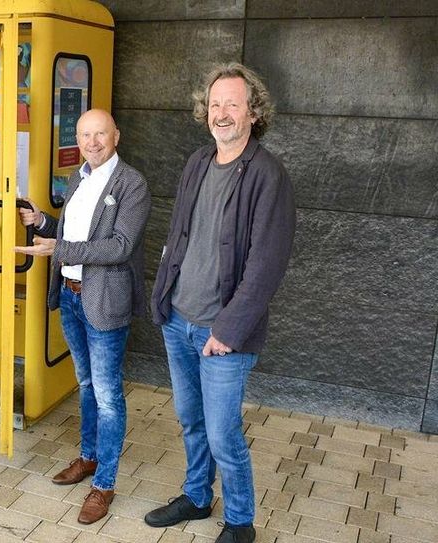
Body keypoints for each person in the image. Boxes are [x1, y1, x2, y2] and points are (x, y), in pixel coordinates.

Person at [144, 63, 295, 543]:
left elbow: (265, 266)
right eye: (215, 104)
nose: (222, 113)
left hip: (223, 334)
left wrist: (227, 331)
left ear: (253, 112)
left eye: (233, 103)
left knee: (223, 434)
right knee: (191, 420)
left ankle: (241, 522)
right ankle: (195, 496)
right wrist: (161, 296)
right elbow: (179, 235)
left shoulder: (268, 175)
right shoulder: (197, 162)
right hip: (179, 319)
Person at [15, 109, 151, 524]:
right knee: (86, 384)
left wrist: (58, 250)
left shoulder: (132, 184)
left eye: (100, 134)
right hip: (73, 299)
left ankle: (104, 485)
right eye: (85, 135)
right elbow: (77, 235)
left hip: (105, 303)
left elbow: (119, 247)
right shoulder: (79, 178)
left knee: (109, 396)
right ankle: (89, 458)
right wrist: (43, 221)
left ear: (116, 136)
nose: (92, 142)